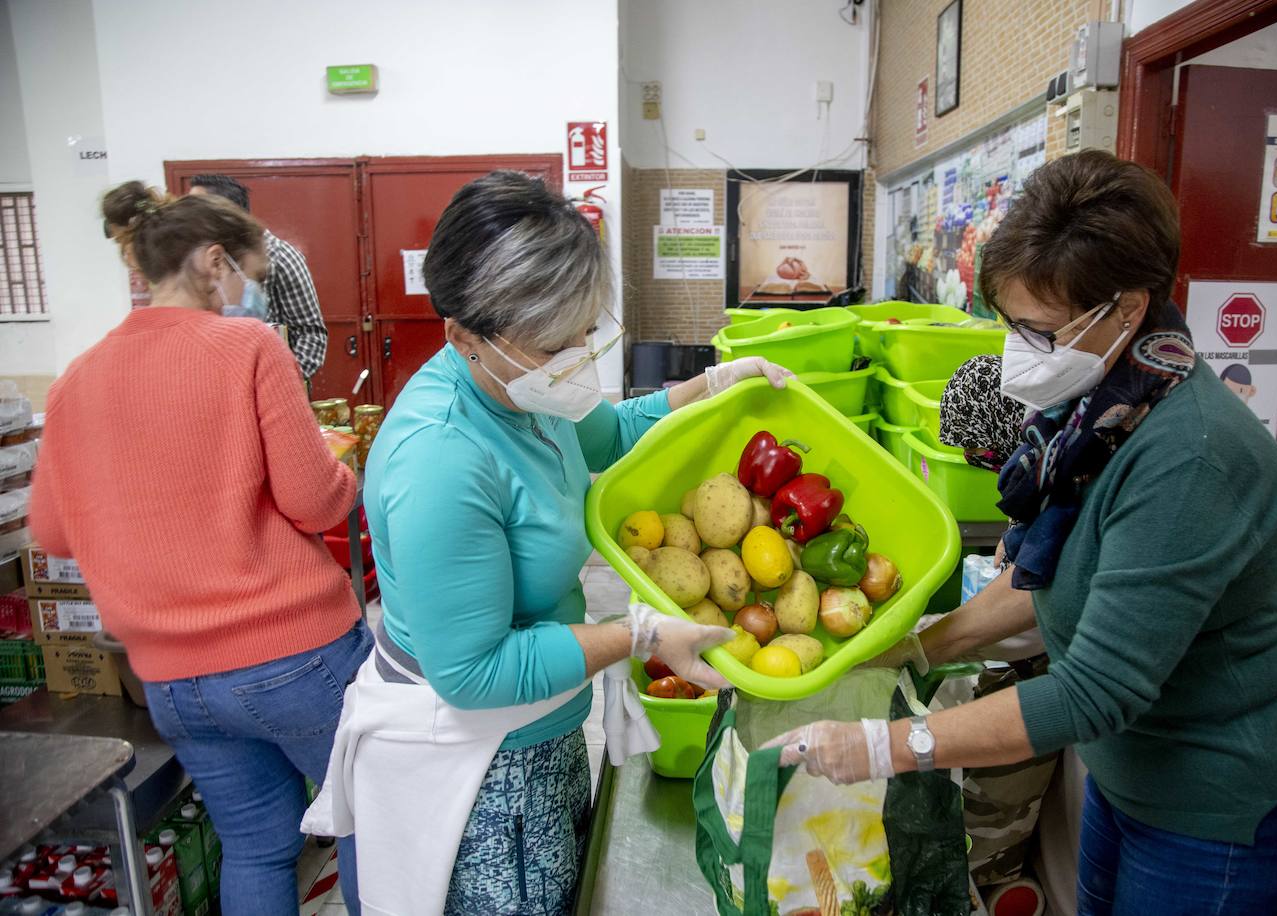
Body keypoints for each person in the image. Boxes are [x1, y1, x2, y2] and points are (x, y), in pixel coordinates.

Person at [764, 150, 1277, 915]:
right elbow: (1045, 584)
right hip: (1127, 780)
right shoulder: (1098, 414)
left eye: (1039, 329)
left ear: (1127, 309)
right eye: (1011, 324)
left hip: (1224, 809)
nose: (1018, 350)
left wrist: (885, 746)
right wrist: (914, 649)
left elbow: (1095, 690)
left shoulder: (1190, 458)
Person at [301, 170, 791, 916]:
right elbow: (473, 671)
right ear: (463, 334)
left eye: (583, 333)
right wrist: (639, 633)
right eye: (552, 343)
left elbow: (613, 432)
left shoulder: (528, 387)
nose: (574, 359)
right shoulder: (441, 458)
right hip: (481, 769)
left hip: (546, 723)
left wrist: (714, 386)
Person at [30, 181, 370, 916]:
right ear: (214, 262)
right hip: (293, 660)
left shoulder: (75, 380)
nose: (250, 292)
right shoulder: (248, 345)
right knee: (370, 828)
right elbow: (314, 501)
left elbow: (53, 532)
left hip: (173, 683)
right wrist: (344, 469)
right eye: (251, 274)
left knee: (256, 846)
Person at [188, 174, 329, 381]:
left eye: (196, 211)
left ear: (226, 213)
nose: (188, 219)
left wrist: (282, 383)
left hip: (269, 382)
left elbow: (311, 334)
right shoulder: (203, 259)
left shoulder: (279, 256)